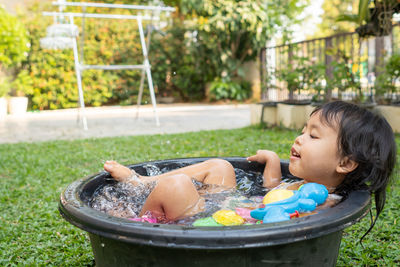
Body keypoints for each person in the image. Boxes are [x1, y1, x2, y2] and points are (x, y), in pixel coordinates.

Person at [104, 101, 397, 228]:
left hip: (209, 227)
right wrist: (272, 161)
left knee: (177, 186)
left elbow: (280, 220)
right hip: (225, 209)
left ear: (345, 162)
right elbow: (271, 189)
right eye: (303, 130)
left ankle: (137, 224)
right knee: (221, 167)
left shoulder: (325, 204)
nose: (299, 138)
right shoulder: (302, 186)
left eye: (313, 135)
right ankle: (140, 183)